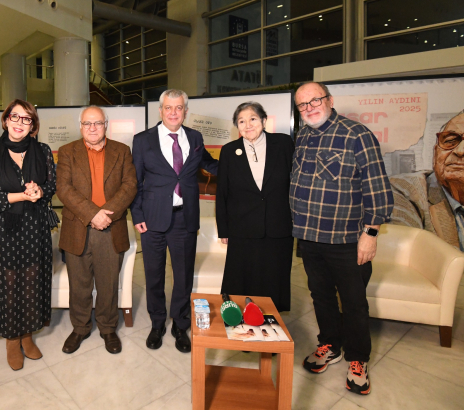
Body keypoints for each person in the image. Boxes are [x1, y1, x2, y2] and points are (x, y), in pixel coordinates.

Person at [291, 82, 393, 396]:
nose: (309, 108)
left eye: (315, 101)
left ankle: (358, 359)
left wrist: (370, 234)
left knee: (353, 302)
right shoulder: (303, 135)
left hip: (347, 240)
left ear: (330, 100)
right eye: (302, 105)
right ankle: (330, 345)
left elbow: (378, 189)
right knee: (320, 295)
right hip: (309, 236)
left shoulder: (357, 135)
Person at [131, 89, 218, 353]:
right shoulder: (142, 140)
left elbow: (208, 164)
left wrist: (240, 164)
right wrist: (137, 214)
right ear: (160, 110)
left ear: (185, 111)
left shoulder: (195, 137)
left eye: (178, 108)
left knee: (183, 276)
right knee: (154, 275)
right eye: (168, 108)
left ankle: (180, 325)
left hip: (184, 218)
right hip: (152, 220)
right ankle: (157, 323)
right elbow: (135, 181)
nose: (173, 112)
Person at [0, 99, 56, 371]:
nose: (20, 123)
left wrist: (40, 191)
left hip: (35, 227)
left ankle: (28, 335)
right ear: (6, 120)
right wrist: (21, 195)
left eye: (26, 118)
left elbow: (52, 185)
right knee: (9, 284)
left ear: (33, 125)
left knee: (33, 281)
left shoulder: (43, 151)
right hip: (4, 230)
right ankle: (12, 340)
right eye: (15, 117)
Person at [56, 106, 137, 355]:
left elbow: (130, 185)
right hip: (77, 227)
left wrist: (105, 215)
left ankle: (108, 327)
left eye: (98, 123)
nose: (92, 128)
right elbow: (64, 188)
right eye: (87, 123)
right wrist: (93, 214)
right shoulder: (67, 151)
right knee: (79, 284)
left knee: (108, 283)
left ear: (106, 125)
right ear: (80, 126)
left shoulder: (122, 151)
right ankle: (80, 327)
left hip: (111, 228)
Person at [216, 102, 295, 311]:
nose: (248, 125)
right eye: (241, 121)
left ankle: (271, 321)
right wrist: (223, 229)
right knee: (242, 279)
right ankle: (242, 321)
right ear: (237, 126)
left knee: (274, 278)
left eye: (252, 119)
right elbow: (222, 193)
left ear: (264, 120)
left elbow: (296, 183)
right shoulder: (229, 151)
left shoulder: (283, 144)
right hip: (242, 228)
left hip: (278, 226)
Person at [390, 108, 464, 261]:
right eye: (450, 141)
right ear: (436, 152)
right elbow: (412, 255)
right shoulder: (403, 190)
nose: (460, 151)